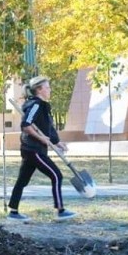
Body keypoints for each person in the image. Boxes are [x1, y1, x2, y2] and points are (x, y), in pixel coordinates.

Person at [8, 75, 77, 222]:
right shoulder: (36, 105)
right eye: (47, 87)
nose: (50, 90)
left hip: (32, 148)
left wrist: (57, 142)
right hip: (33, 149)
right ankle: (60, 210)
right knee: (57, 175)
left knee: (22, 181)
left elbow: (47, 128)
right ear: (39, 90)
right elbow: (26, 125)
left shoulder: (42, 106)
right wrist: (41, 139)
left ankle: (13, 212)